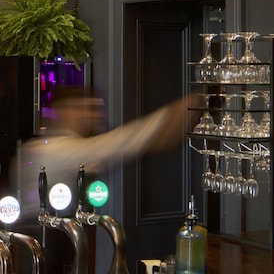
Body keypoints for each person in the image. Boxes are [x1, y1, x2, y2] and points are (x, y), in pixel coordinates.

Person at [12, 88, 198, 218]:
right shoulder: (58, 150)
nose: (94, 115)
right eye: (83, 109)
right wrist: (194, 103)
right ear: (62, 111)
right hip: (43, 241)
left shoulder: (41, 146)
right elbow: (126, 141)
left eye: (95, 109)